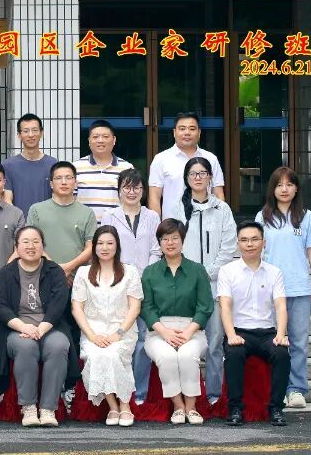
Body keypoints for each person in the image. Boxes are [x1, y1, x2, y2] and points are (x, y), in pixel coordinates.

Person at [26, 161, 98, 404]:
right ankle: (49, 385)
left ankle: (71, 386)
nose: (64, 182)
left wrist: (69, 267)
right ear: (51, 183)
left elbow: (90, 247)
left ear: (75, 182)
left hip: (77, 282)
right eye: (59, 178)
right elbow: (32, 243)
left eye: (69, 177)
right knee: (51, 329)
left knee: (75, 332)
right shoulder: (37, 209)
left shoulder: (86, 213)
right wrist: (58, 270)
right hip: (44, 280)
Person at [255, 167, 311, 410]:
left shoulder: (307, 216)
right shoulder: (263, 216)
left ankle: (296, 389)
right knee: (273, 341)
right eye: (279, 185)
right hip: (270, 289)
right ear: (272, 189)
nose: (284, 189)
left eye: (289, 184)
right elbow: (256, 251)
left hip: (299, 287)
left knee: (299, 341)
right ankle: (277, 389)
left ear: (296, 188)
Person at [0, 226, 72, 427]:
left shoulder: (54, 271)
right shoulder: (6, 273)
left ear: (43, 246)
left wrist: (41, 329)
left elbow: (59, 303)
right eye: (25, 242)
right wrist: (23, 327)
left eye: (36, 242)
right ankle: (28, 407)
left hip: (50, 326)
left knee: (58, 346)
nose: (31, 246)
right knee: (26, 347)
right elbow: (0, 306)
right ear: (16, 246)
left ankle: (48, 409)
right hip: (17, 327)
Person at [140, 218, 213, 426]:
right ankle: (178, 406)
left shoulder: (197, 270)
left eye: (174, 238)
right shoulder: (150, 272)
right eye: (165, 239)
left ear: (182, 240)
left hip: (192, 330)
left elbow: (205, 306)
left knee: (188, 355)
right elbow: (146, 307)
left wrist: (188, 332)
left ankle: (191, 407)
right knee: (167, 357)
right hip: (159, 331)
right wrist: (165, 332)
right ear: (159, 243)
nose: (170, 243)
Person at [217, 221, 291, 427]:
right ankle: (235, 408)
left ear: (263, 243)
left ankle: (276, 408)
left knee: (282, 354)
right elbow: (225, 306)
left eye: (254, 239)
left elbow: (281, 306)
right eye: (244, 240)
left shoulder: (274, 272)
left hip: (267, 332)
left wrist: (281, 334)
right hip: (239, 331)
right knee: (234, 354)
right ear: (238, 244)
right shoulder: (227, 271)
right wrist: (231, 335)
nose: (249, 244)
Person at [70, 226, 143, 427]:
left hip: (123, 331)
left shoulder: (130, 272)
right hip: (92, 331)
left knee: (113, 354)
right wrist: (92, 336)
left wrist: (118, 333)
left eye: (110, 243)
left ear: (117, 246)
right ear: (94, 246)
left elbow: (135, 307)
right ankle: (113, 406)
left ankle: (125, 405)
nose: (105, 247)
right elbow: (77, 309)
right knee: (97, 355)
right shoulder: (83, 273)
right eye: (100, 243)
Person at [178, 157, 236, 405]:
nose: (198, 177)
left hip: (215, 286)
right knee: (184, 343)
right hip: (185, 287)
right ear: (187, 179)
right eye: (193, 173)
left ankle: (213, 395)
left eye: (203, 173)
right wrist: (191, 276)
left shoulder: (222, 209)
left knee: (214, 343)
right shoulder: (178, 209)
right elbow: (171, 245)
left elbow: (229, 246)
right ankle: (185, 394)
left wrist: (207, 273)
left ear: (211, 177)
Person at [103, 169, 161, 405]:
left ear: (143, 191)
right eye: (127, 187)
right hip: (118, 284)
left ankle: (139, 393)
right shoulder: (110, 216)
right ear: (119, 190)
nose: (132, 192)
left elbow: (157, 249)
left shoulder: (152, 216)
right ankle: (119, 389)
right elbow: (106, 249)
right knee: (121, 337)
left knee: (143, 339)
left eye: (137, 187)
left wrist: (146, 275)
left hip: (147, 285)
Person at [147, 112, 226, 219]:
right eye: (182, 129)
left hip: (206, 224)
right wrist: (157, 226)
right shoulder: (161, 159)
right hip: (173, 226)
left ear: (199, 132)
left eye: (192, 129)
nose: (187, 132)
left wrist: (220, 221)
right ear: (174, 132)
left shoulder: (211, 159)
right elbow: (154, 197)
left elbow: (218, 194)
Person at [73, 120, 135, 223]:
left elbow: (132, 201)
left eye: (105, 137)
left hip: (116, 229)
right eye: (95, 137)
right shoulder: (76, 167)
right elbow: (70, 201)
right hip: (85, 229)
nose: (100, 140)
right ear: (89, 141)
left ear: (114, 140)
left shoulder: (127, 168)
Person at [3, 114, 58, 214]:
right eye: (26, 131)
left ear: (41, 133)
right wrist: (18, 220)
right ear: (19, 135)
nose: (31, 135)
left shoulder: (53, 164)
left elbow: (57, 197)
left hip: (47, 220)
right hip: (19, 222)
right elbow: (7, 199)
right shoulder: (8, 165)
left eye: (35, 130)